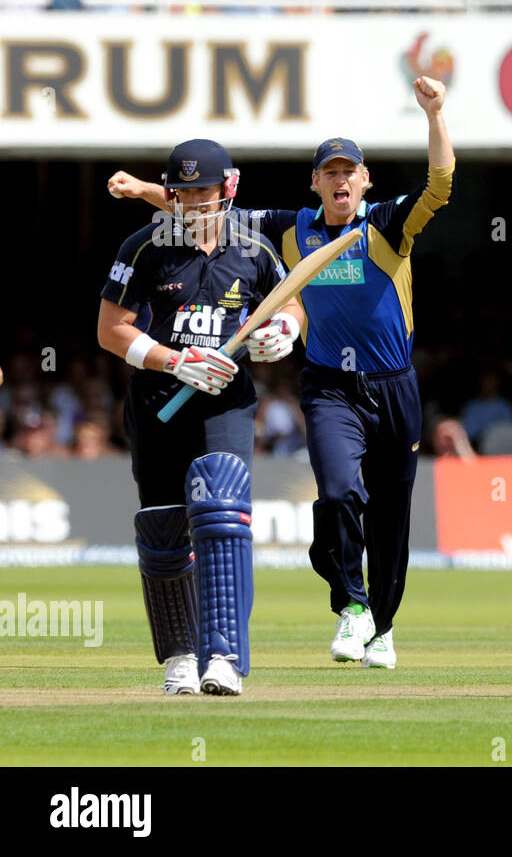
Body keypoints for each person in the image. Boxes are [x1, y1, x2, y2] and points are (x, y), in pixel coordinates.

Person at [106, 78, 453, 671]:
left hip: (395, 383)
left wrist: (436, 113)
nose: (341, 180)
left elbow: (441, 185)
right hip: (328, 384)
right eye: (329, 172)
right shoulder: (290, 228)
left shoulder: (388, 224)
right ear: (315, 182)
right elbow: (211, 211)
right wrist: (146, 191)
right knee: (341, 490)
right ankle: (350, 605)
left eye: (351, 171)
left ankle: (383, 625)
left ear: (365, 180)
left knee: (392, 512)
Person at [97, 139, 304, 696]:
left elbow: (290, 302)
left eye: (203, 191)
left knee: (219, 507)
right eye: (181, 193)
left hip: (225, 399)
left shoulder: (254, 248)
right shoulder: (144, 247)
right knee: (165, 530)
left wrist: (282, 334)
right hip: (157, 401)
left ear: (227, 188)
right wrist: (175, 361)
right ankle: (181, 657)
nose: (192, 203)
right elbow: (111, 329)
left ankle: (225, 657)